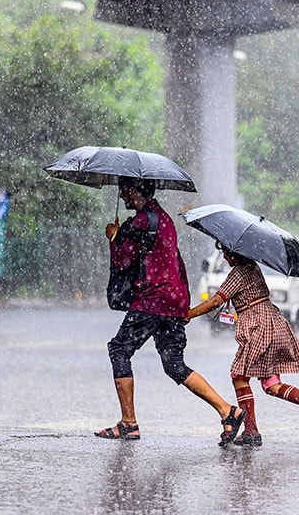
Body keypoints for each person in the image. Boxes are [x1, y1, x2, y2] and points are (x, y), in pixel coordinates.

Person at [95, 178, 245, 446]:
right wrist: (182, 302)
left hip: (152, 300)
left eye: (124, 190)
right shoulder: (164, 220)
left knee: (119, 350)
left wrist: (113, 237)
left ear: (133, 192)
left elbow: (122, 261)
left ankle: (128, 424)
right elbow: (176, 260)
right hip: (173, 301)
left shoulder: (139, 222)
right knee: (174, 364)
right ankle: (227, 410)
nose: (121, 195)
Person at [187, 244, 299, 446]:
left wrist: (188, 314)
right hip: (272, 322)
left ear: (234, 253)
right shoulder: (252, 267)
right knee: (271, 385)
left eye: (225, 252)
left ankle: (251, 431)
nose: (223, 256)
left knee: (239, 376)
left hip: (260, 327)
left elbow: (215, 301)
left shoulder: (239, 272)